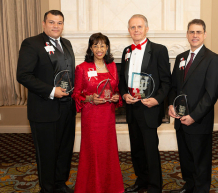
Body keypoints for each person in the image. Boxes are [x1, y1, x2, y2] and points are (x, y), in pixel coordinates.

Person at [17, 10, 75, 193]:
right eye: (52, 22)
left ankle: (60, 183)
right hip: (44, 108)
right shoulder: (32, 43)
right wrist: (51, 91)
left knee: (65, 150)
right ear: (44, 24)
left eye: (59, 23)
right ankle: (47, 188)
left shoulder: (66, 44)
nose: (55, 26)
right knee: (47, 153)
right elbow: (23, 75)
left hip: (67, 108)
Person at [168, 19, 218, 193]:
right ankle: (189, 185)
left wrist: (194, 116)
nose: (195, 35)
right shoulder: (180, 58)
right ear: (187, 35)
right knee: (185, 158)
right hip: (180, 119)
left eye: (198, 32)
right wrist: (170, 104)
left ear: (204, 35)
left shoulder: (213, 59)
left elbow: (211, 94)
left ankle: (200, 189)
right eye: (192, 32)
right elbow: (174, 86)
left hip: (199, 120)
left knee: (200, 160)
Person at [119, 14, 171, 193]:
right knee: (137, 150)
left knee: (150, 150)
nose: (136, 30)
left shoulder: (159, 50)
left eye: (139, 27)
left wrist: (157, 99)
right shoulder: (126, 51)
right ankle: (141, 181)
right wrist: (124, 94)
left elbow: (166, 81)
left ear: (146, 29)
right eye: (132, 27)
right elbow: (121, 81)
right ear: (129, 30)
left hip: (149, 107)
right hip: (132, 108)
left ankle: (155, 186)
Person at [71, 33, 124, 193]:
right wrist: (89, 98)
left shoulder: (113, 66)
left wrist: (116, 97)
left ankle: (110, 187)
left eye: (102, 45)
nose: (99, 49)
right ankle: (92, 187)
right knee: (93, 150)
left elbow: (115, 89)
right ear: (91, 48)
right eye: (96, 45)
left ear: (107, 48)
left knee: (108, 150)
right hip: (92, 117)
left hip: (108, 116)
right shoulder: (82, 68)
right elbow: (76, 94)